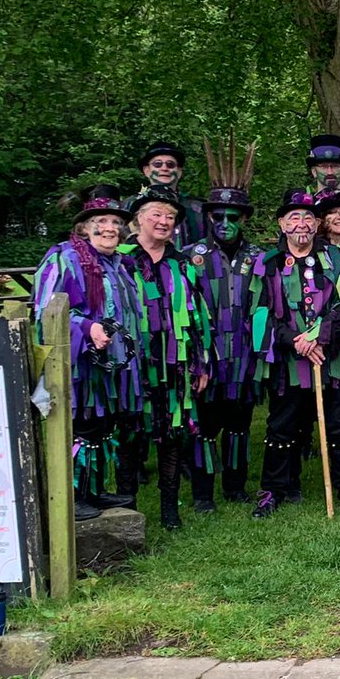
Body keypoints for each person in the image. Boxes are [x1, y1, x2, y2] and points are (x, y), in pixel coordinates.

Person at [249, 189, 340, 517]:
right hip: (288, 360)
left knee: (339, 426)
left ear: (317, 224)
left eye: (307, 217)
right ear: (281, 223)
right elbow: (260, 314)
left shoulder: (336, 258)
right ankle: (274, 489)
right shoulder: (267, 263)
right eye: (293, 217)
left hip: (331, 359)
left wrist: (318, 337)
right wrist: (296, 341)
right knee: (281, 426)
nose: (301, 224)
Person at [34, 185, 142, 521]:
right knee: (80, 427)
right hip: (79, 364)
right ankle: (72, 494)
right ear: (84, 226)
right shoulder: (63, 257)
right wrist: (86, 328)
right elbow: (45, 309)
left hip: (112, 365)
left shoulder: (119, 263)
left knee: (102, 427)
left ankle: (93, 491)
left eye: (114, 222)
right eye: (101, 221)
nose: (110, 227)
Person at [116, 184, 212, 530]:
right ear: (138, 220)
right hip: (134, 364)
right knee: (131, 435)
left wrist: (200, 362)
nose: (163, 221)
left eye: (170, 216)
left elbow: (198, 316)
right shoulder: (121, 259)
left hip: (177, 365)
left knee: (174, 434)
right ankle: (127, 511)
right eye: (156, 214)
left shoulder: (182, 264)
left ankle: (170, 511)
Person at [184, 139, 264, 511]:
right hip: (206, 360)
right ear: (209, 218)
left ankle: (234, 486)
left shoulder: (258, 258)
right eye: (219, 216)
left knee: (239, 427)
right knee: (205, 429)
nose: (226, 223)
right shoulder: (190, 259)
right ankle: (202, 494)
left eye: (234, 217)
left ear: (244, 219)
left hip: (244, 360)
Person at [129, 141, 206, 248]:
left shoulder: (199, 209)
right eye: (157, 164)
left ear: (179, 172)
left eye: (170, 164)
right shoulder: (129, 205)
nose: (164, 168)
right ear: (146, 171)